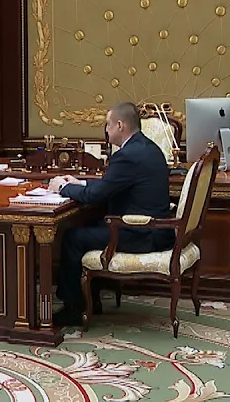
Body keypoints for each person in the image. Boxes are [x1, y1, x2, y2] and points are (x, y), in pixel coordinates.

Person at [48, 101, 173, 326]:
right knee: (89, 225)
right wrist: (80, 183)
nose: (106, 130)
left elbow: (97, 195)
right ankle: (91, 300)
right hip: (156, 229)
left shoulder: (127, 155)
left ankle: (74, 308)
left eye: (107, 125)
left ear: (120, 125)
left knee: (72, 238)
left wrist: (62, 187)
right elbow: (110, 185)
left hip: (141, 233)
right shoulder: (148, 147)